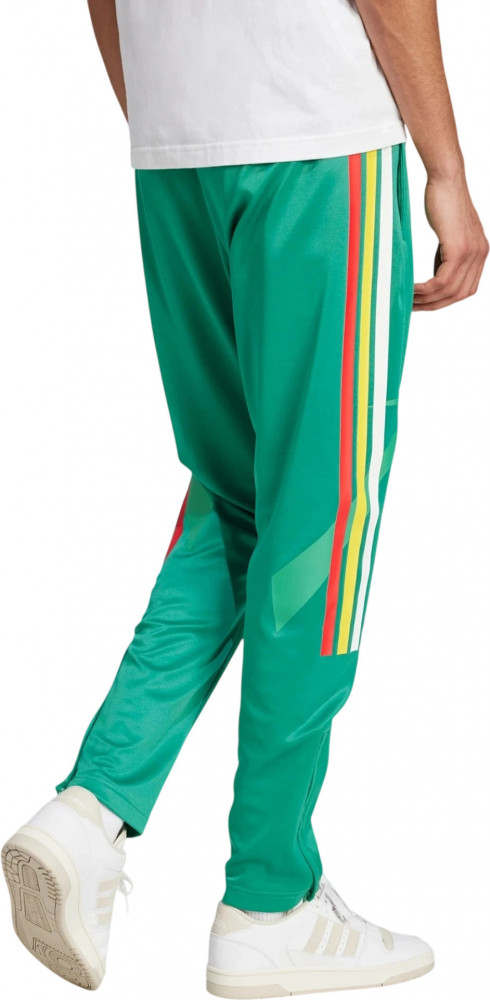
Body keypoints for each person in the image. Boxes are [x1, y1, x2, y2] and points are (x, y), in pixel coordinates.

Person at [2, 0, 487, 995]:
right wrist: (445, 168)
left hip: (176, 147)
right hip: (314, 138)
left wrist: (175, 122)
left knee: (240, 499)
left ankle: (90, 809)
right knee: (322, 525)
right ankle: (270, 899)